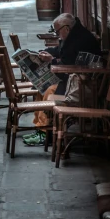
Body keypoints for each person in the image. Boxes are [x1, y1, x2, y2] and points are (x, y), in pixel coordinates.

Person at [23, 13, 103, 146]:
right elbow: (60, 51)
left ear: (66, 28)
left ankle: (44, 132)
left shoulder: (79, 39)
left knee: (48, 90)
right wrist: (43, 53)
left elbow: (69, 63)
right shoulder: (73, 35)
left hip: (81, 86)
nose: (57, 34)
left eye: (58, 31)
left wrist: (52, 60)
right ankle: (39, 128)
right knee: (42, 87)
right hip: (73, 80)